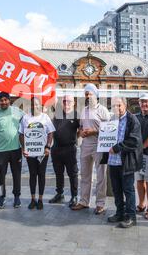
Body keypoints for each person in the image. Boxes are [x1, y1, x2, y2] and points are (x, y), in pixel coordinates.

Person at [72, 84, 111, 215]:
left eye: (90, 94)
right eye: (86, 94)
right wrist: (81, 132)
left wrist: (94, 131)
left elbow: (110, 129)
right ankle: (84, 201)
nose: (88, 96)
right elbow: (81, 127)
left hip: (99, 146)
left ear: (96, 95)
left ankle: (100, 204)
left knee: (101, 176)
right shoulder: (84, 110)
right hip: (85, 146)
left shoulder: (103, 110)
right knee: (85, 175)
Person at [106, 97, 143, 228]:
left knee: (128, 190)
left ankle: (131, 216)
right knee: (116, 190)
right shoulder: (111, 120)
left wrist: (117, 148)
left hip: (126, 161)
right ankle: (119, 213)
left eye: (119, 105)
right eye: (114, 105)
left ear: (125, 106)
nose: (117, 108)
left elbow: (134, 141)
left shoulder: (132, 120)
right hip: (112, 161)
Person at [19, 97, 55, 210]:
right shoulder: (25, 118)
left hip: (43, 152)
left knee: (42, 174)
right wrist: (23, 148)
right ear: (30, 106)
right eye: (33, 104)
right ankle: (33, 199)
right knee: (32, 174)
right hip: (30, 152)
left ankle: (40, 199)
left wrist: (48, 147)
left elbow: (50, 133)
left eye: (37, 104)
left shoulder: (45, 117)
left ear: (40, 105)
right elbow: (21, 134)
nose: (35, 106)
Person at [0, 92, 24, 209]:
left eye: (5, 100)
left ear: (9, 100)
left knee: (17, 174)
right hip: (1, 151)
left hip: (16, 149)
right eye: (1, 100)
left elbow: (28, 122)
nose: (3, 102)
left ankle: (17, 197)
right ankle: (1, 197)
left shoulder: (17, 111)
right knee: (1, 175)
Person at [49, 95, 80, 208]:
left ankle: (74, 196)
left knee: (73, 173)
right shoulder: (57, 113)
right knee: (58, 173)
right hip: (56, 148)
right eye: (64, 101)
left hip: (69, 149)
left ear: (74, 103)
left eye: (69, 101)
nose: (66, 103)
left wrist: (75, 139)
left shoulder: (76, 115)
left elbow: (80, 130)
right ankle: (59, 194)